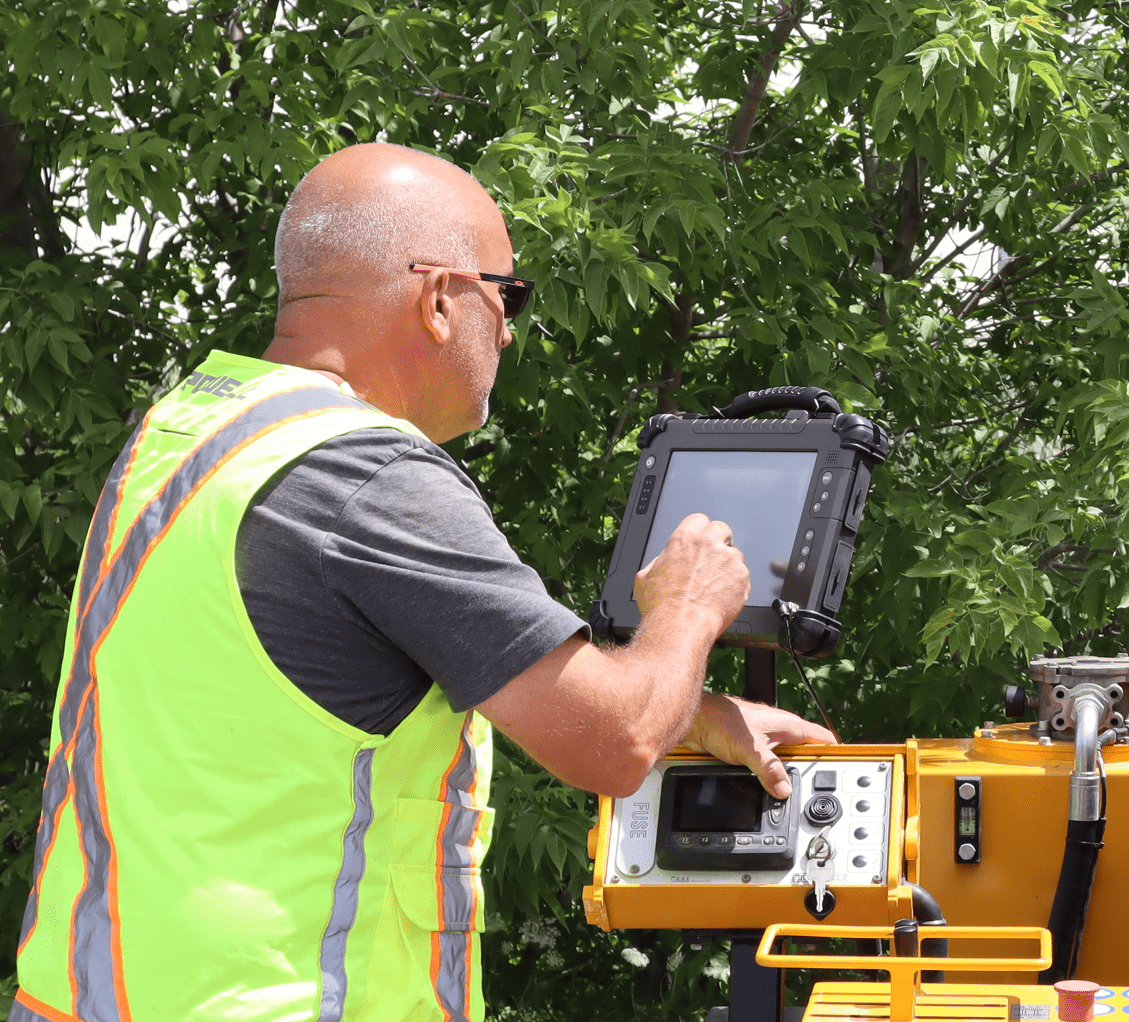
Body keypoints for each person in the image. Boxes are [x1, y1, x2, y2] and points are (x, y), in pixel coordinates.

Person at [10, 142, 833, 1022]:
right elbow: (613, 744)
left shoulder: (191, 429)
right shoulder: (367, 478)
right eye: (506, 294)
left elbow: (293, 698)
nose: (511, 330)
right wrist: (687, 610)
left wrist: (695, 714)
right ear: (441, 301)